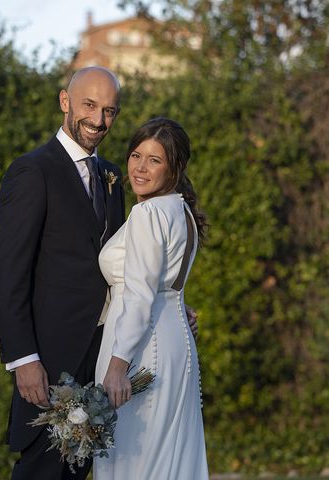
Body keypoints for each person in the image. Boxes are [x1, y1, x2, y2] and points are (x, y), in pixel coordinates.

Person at [0, 67, 125, 480]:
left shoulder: (111, 178)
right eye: (89, 105)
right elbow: (9, 272)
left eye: (109, 111)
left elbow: (121, 264)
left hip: (98, 357)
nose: (99, 120)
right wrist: (23, 359)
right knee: (40, 471)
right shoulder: (33, 171)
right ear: (65, 102)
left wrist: (171, 302)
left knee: (75, 472)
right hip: (49, 360)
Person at [94, 117, 209, 479]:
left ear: (173, 168)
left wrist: (117, 366)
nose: (140, 167)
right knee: (167, 460)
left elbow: (140, 294)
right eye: (136, 155)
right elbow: (167, 286)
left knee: (130, 460)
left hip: (139, 348)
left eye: (155, 160)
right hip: (175, 344)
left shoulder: (147, 213)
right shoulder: (182, 212)